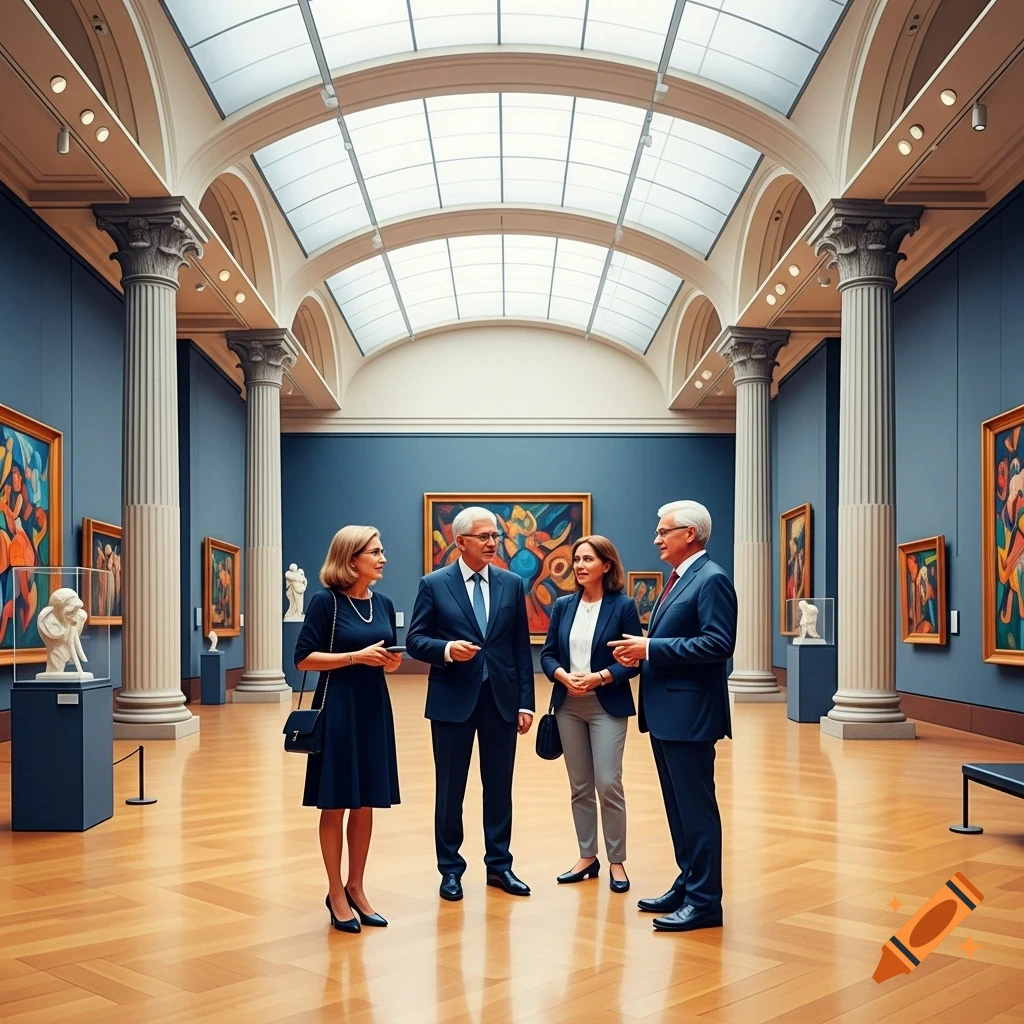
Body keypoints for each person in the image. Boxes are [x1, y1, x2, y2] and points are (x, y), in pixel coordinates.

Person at [609, 499, 737, 933]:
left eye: (664, 531)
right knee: (678, 809)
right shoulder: (682, 578)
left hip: (691, 716)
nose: (657, 538)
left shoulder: (712, 579)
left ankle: (705, 903)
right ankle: (688, 882)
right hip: (668, 715)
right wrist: (646, 647)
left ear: (690, 535)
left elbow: (718, 645)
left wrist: (650, 648)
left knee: (697, 811)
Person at [407, 506, 535, 902]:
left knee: (499, 788)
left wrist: (526, 703)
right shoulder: (434, 584)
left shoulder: (512, 584)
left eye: (495, 536)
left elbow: (519, 647)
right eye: (483, 537)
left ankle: (500, 867)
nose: (493, 543)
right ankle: (450, 870)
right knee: (450, 790)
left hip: (501, 700)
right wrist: (446, 649)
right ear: (460, 542)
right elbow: (415, 640)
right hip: (451, 702)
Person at [294, 525, 404, 934]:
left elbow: (384, 652)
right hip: (337, 706)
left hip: (374, 706)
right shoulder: (327, 603)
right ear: (351, 558)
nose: (382, 558)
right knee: (336, 801)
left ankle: (356, 887)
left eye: (381, 550)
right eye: (375, 552)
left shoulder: (384, 602)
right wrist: (356, 657)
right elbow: (303, 659)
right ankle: (335, 892)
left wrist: (388, 663)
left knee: (366, 801)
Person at [540, 535, 641, 893]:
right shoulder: (563, 606)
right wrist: (561, 675)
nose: (580, 565)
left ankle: (617, 861)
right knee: (579, 785)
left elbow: (634, 660)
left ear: (606, 565)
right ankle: (587, 856)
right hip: (568, 704)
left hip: (607, 703)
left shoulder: (623, 606)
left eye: (588, 559)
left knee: (608, 782)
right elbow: (548, 654)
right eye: (577, 559)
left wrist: (601, 676)